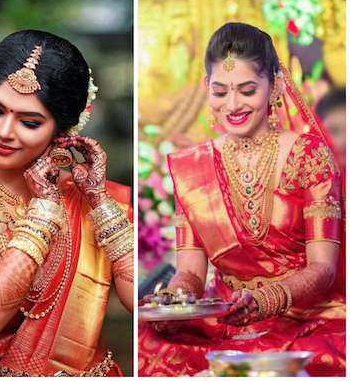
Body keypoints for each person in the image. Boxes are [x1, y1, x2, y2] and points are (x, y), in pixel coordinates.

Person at [138, 22, 345, 377]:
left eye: (247, 90)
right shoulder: (192, 167)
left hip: (306, 321)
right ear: (207, 88)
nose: (232, 104)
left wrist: (265, 301)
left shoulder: (309, 155)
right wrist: (173, 303)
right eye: (220, 92)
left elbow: (323, 269)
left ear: (274, 86)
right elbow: (189, 271)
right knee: (145, 344)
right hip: (228, 321)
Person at [0, 29, 134, 376]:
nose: (5, 131)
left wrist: (98, 199)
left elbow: (139, 301)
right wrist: (44, 208)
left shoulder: (103, 201)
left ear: (61, 131)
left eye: (29, 122)